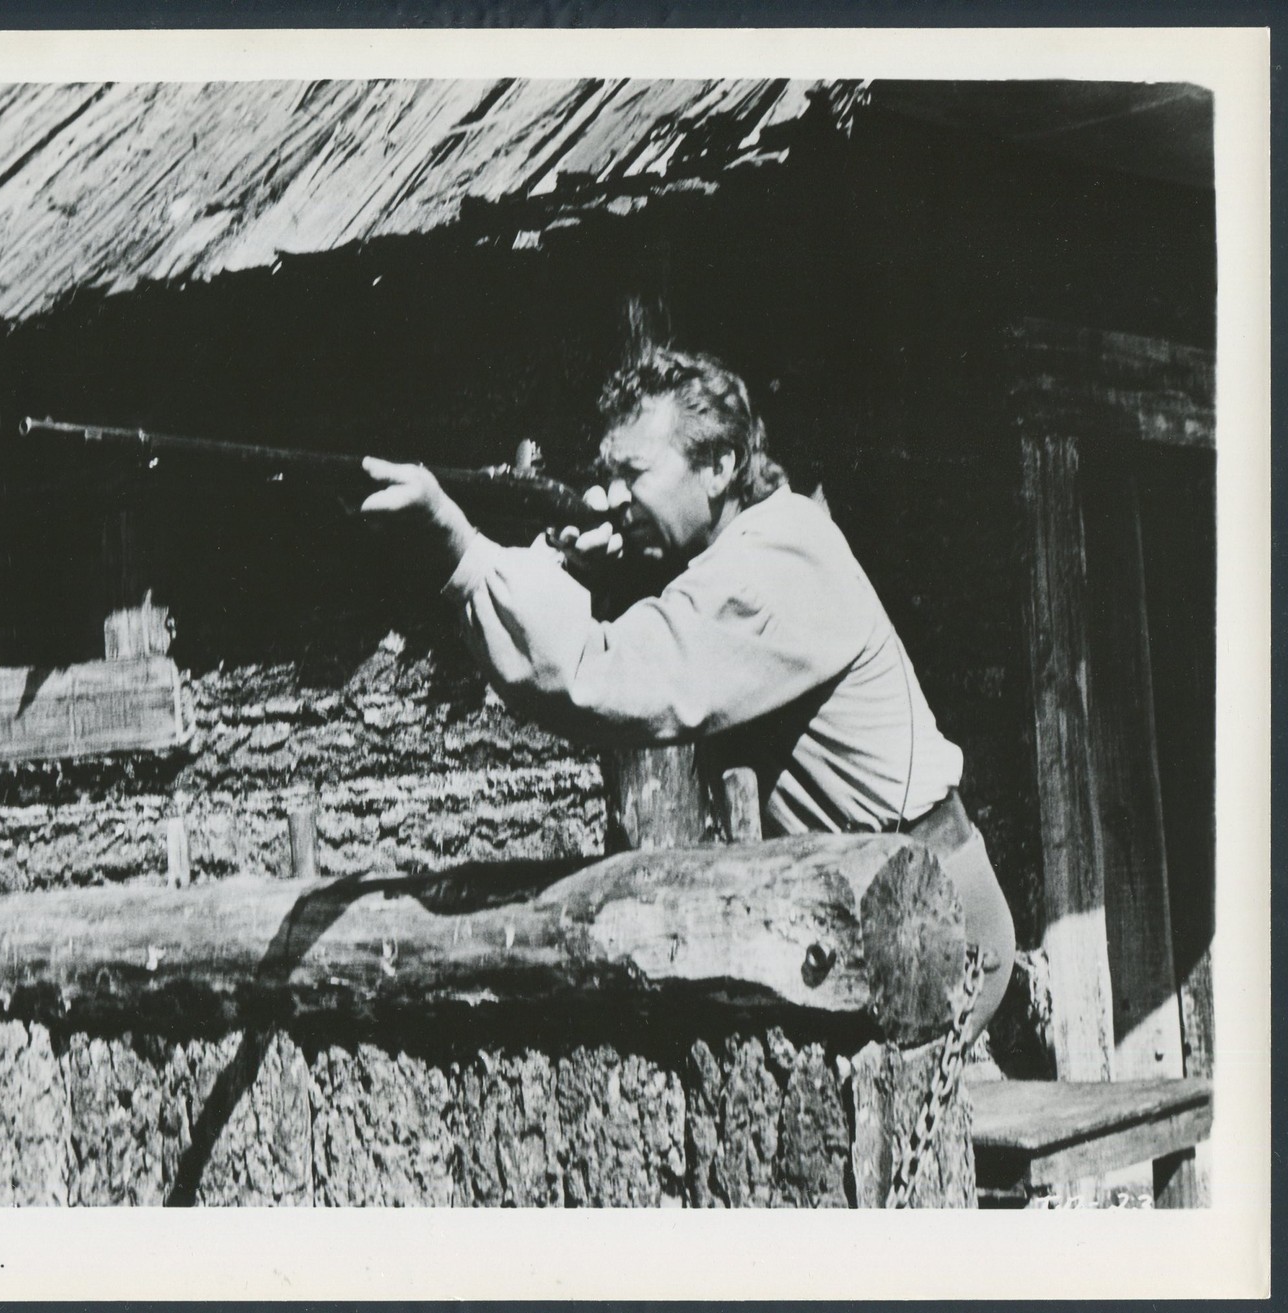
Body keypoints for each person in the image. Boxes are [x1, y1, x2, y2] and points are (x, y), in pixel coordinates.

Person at [361, 346, 1015, 1032]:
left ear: (719, 467)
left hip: (925, 918)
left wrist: (459, 545)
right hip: (866, 905)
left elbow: (601, 676)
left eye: (636, 473)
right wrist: (575, 570)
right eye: (607, 475)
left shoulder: (773, 561)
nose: (613, 497)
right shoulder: (745, 543)